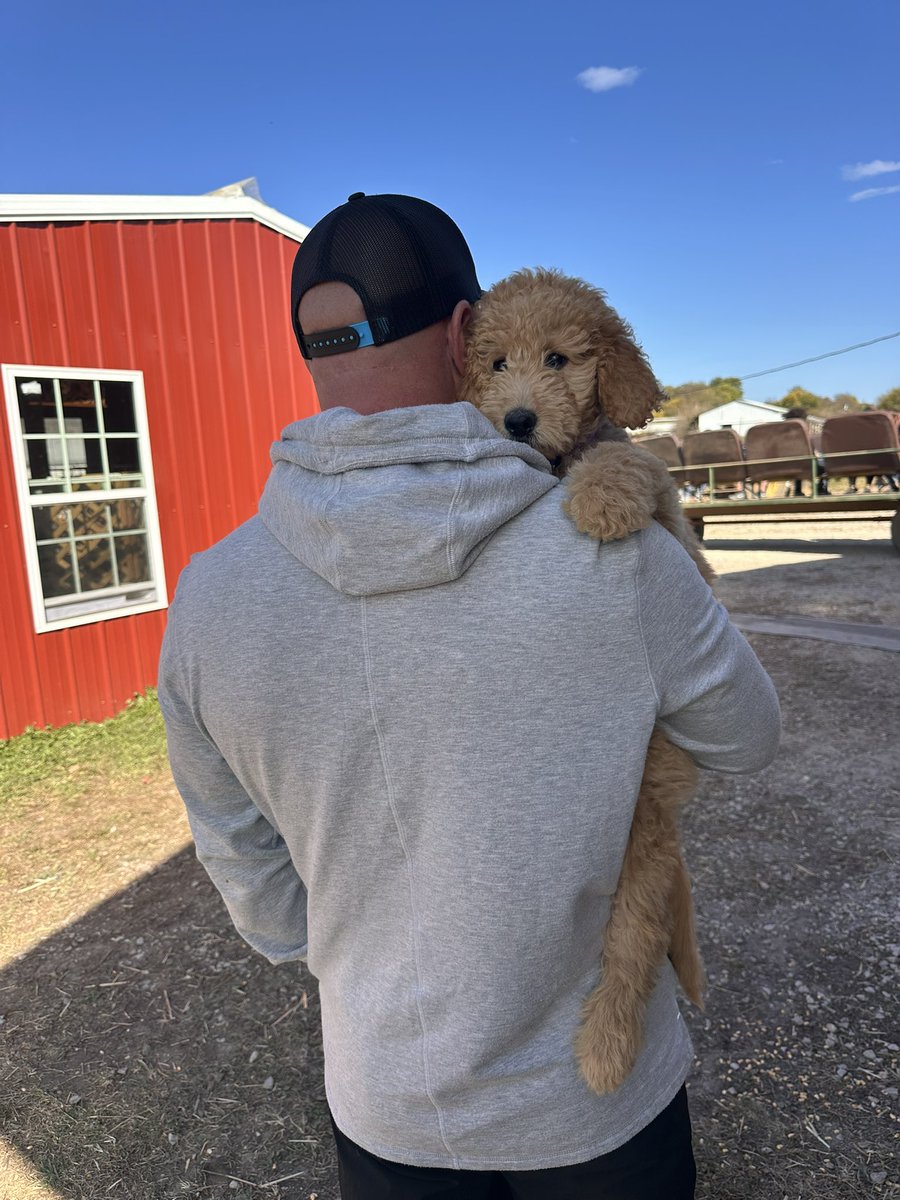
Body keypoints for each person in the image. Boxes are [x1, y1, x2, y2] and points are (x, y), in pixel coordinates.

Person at [158, 193, 781, 1199]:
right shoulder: (616, 548)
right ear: (462, 334)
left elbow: (249, 873)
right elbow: (748, 735)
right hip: (595, 1101)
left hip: (386, 1102)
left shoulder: (207, 599)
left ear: (310, 352)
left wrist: (362, 960)